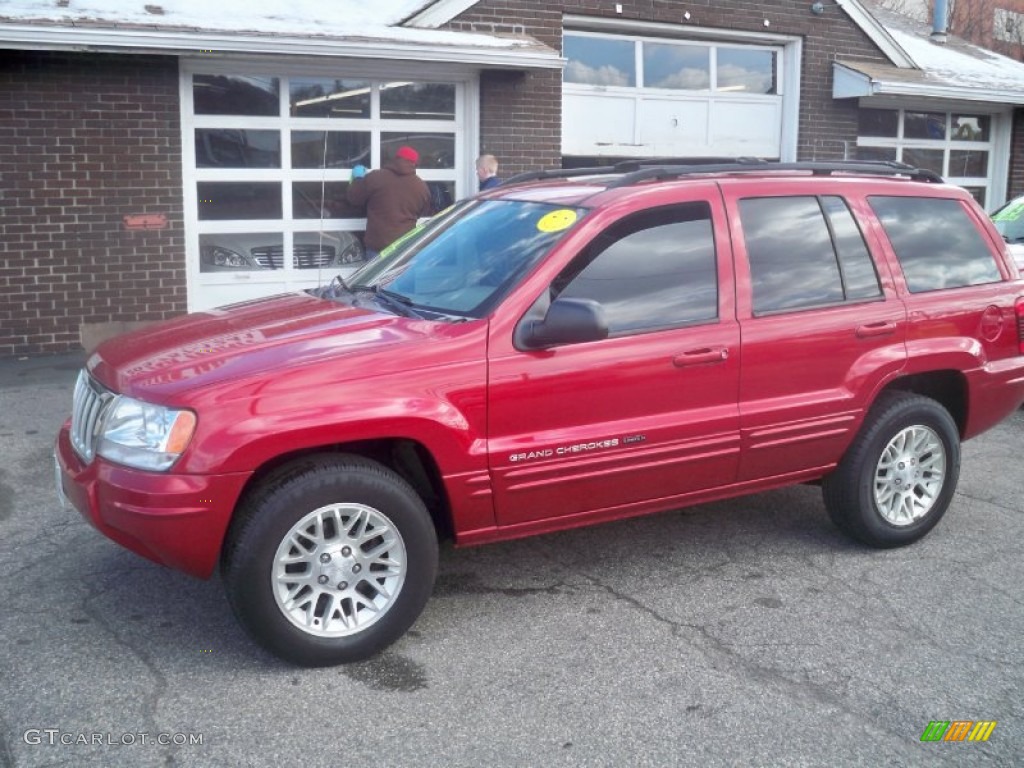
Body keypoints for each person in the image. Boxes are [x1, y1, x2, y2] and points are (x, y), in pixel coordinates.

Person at [346, 145, 431, 259]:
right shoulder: (421, 187)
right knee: (402, 277)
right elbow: (423, 212)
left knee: (376, 277)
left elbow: (354, 198)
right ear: (414, 164)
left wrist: (358, 178)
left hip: (377, 248)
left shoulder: (376, 177)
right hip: (404, 249)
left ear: (395, 159)